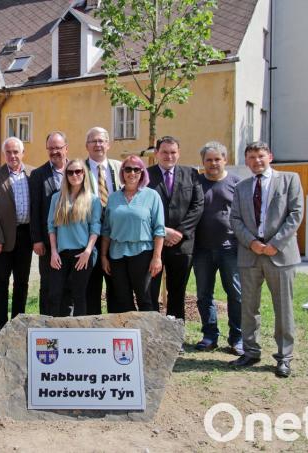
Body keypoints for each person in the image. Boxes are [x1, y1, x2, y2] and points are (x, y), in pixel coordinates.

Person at [229, 141, 304, 378]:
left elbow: (295, 214)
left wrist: (275, 244)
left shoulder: (290, 180)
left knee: (283, 308)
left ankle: (284, 357)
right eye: (251, 157)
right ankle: (251, 351)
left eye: (260, 156)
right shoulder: (241, 187)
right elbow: (235, 219)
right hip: (250, 254)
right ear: (247, 160)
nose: (256, 161)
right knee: (249, 307)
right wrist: (252, 242)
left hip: (280, 255)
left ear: (269, 156)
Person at [147, 136, 204, 327]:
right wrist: (164, 232)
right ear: (156, 154)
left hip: (182, 244)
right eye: (164, 152)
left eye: (173, 152)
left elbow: (197, 206)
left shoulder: (192, 174)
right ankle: (152, 332)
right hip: (153, 243)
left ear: (178, 154)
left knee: (177, 292)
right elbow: (141, 209)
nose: (168, 156)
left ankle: (175, 334)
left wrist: (179, 232)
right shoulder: (145, 176)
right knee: (150, 290)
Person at [193, 141, 244, 355]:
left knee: (236, 293)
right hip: (201, 249)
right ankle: (210, 335)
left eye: (217, 159)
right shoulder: (196, 182)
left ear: (225, 159)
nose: (213, 163)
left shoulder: (236, 183)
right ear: (202, 162)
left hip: (230, 248)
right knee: (204, 294)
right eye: (208, 160)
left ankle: (237, 338)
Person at [0, 137, 36, 340]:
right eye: (9, 152)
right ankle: (0, 325)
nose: (13, 156)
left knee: (22, 282)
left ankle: (18, 323)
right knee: (1, 282)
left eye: (16, 152)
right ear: (3, 154)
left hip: (26, 235)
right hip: (3, 237)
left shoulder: (33, 174)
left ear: (23, 153)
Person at [101, 156, 165, 313]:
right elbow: (106, 230)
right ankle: (129, 336)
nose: (132, 173)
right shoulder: (113, 198)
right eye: (128, 169)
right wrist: (103, 256)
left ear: (142, 173)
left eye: (137, 169)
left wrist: (157, 257)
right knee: (122, 300)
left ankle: (150, 335)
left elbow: (159, 229)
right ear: (122, 172)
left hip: (143, 253)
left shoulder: (152, 196)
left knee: (145, 298)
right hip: (117, 255)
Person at [47, 159, 101, 317]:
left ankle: (80, 335)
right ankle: (55, 333)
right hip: (61, 253)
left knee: (79, 295)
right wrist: (53, 252)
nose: (74, 175)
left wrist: (88, 252)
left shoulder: (93, 199)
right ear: (66, 175)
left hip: (82, 253)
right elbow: (51, 227)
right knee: (55, 294)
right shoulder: (57, 198)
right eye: (70, 172)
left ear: (84, 174)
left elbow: (95, 228)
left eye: (78, 171)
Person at [29, 131, 69, 316]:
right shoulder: (38, 175)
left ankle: (68, 322)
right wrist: (36, 239)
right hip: (46, 241)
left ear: (66, 149)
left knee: (69, 284)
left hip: (73, 240)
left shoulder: (77, 170)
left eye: (58, 148)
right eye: (51, 148)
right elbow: (34, 209)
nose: (54, 151)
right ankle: (46, 323)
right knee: (48, 284)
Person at [84, 127, 122, 314]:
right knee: (91, 285)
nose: (98, 144)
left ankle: (114, 329)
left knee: (116, 283)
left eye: (101, 141)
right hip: (88, 236)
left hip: (115, 235)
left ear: (108, 144)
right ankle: (94, 328)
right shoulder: (78, 169)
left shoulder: (120, 167)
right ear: (86, 146)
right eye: (93, 141)